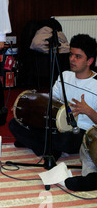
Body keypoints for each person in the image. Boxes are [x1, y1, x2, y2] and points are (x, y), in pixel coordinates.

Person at [9, 34, 97, 162]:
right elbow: (50, 100)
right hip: (55, 125)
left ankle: (41, 145)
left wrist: (88, 110)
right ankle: (48, 148)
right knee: (14, 124)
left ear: (89, 61)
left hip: (78, 132)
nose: (72, 59)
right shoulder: (65, 76)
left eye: (78, 57)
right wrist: (26, 108)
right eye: (71, 54)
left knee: (64, 140)